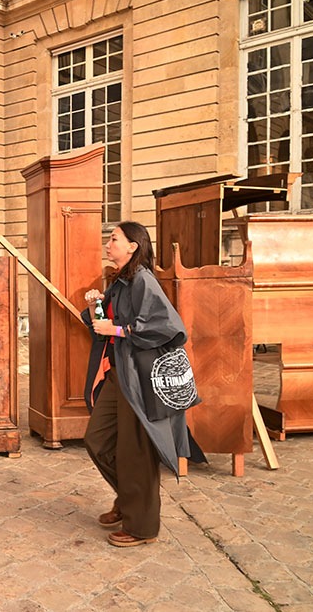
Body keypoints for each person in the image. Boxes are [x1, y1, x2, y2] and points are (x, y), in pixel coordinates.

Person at [81, 221, 201, 548]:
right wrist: (95, 303)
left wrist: (118, 332)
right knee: (98, 440)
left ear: (133, 246)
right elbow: (103, 322)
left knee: (136, 451)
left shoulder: (143, 280)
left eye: (114, 239)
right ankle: (129, 498)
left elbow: (167, 327)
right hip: (120, 373)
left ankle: (141, 525)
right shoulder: (121, 281)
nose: (109, 243)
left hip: (140, 378)